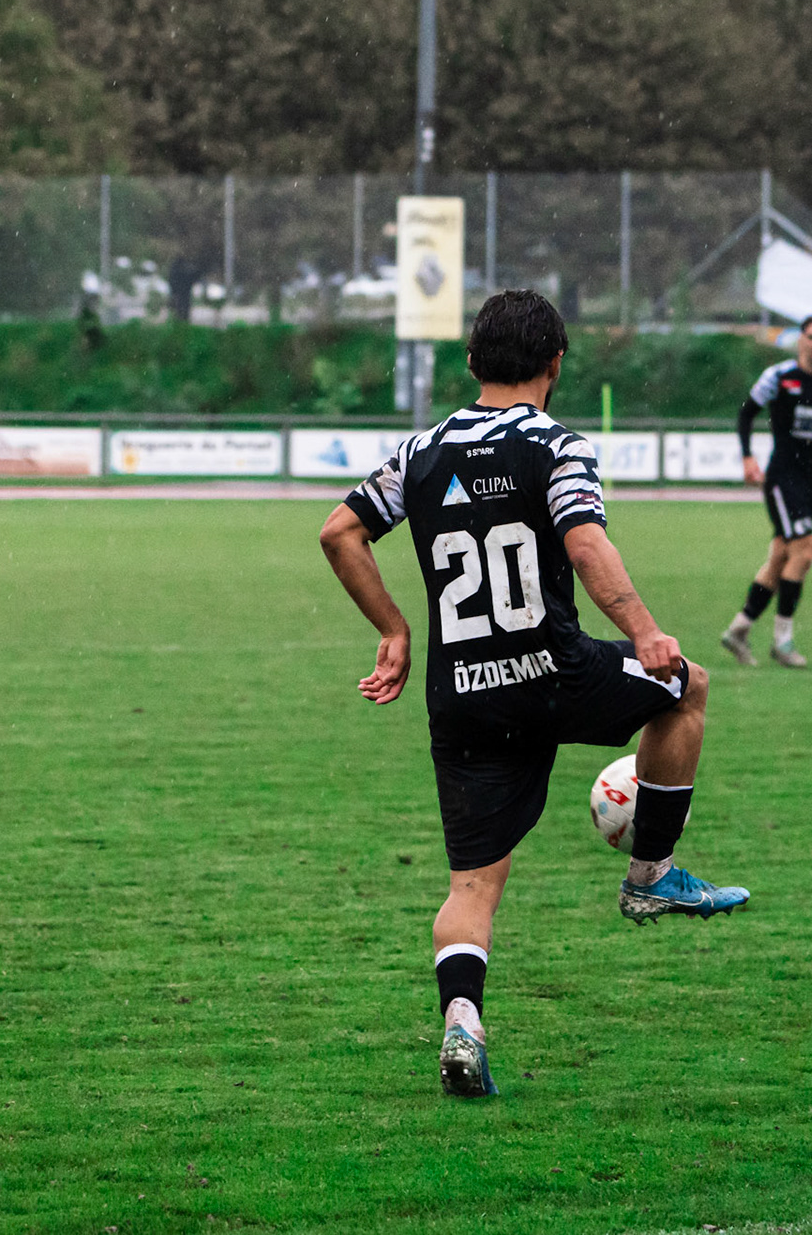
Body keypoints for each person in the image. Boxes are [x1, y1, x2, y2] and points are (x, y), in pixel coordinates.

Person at [319, 290, 749, 1100]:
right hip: (554, 674)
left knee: (472, 887)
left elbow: (338, 530)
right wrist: (648, 630)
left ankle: (461, 1023)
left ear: (472, 364)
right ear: (556, 366)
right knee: (685, 688)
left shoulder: (421, 450)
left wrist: (396, 629)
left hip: (462, 693)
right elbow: (584, 541)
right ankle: (650, 873)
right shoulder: (556, 444)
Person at [721, 313, 812, 669]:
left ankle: (739, 629)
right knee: (805, 550)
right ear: (801, 340)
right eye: (811, 337)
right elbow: (746, 414)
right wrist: (747, 457)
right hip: (782, 478)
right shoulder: (780, 377)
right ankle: (783, 641)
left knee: (782, 557)